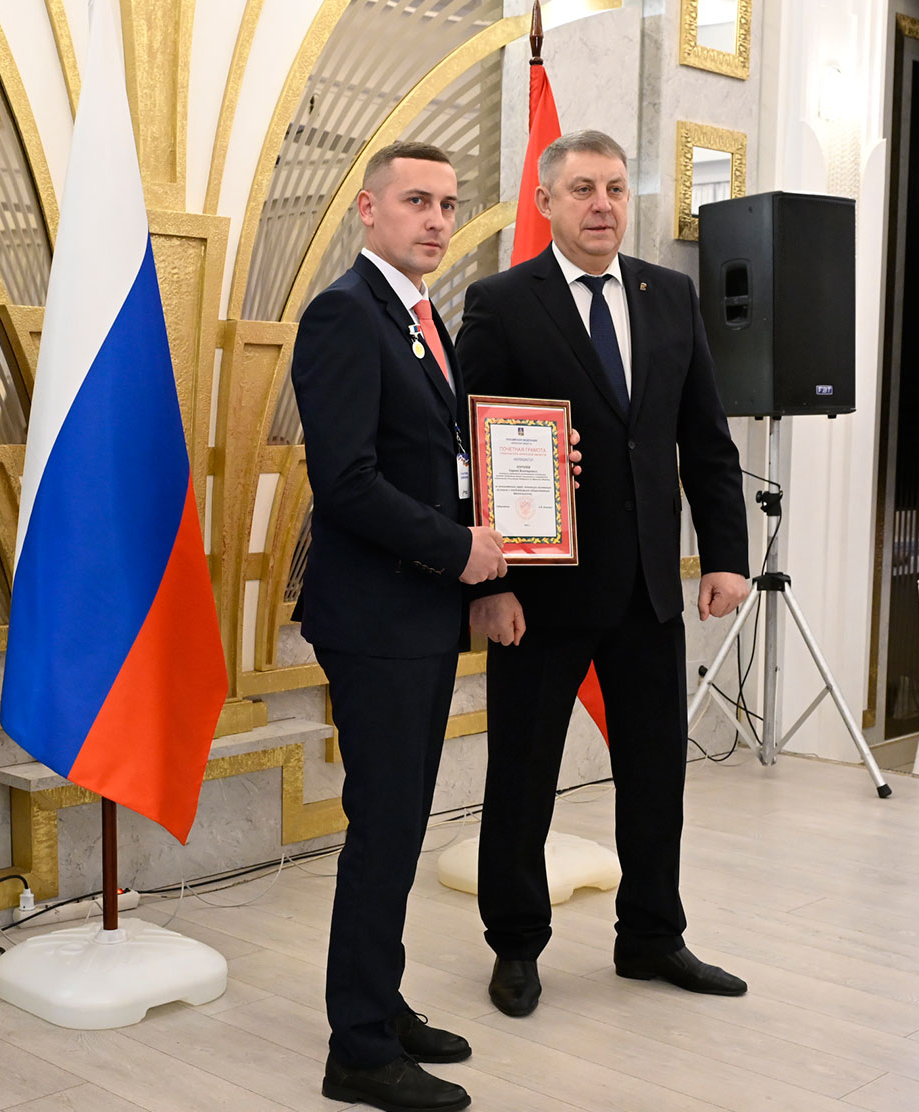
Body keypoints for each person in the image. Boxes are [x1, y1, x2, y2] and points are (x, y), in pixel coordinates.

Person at [458, 130, 751, 1018]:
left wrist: (727, 555)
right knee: (523, 778)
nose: (602, 205)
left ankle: (652, 936)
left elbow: (705, 439)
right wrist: (489, 585)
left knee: (657, 777)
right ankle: (516, 945)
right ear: (546, 200)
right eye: (583, 188)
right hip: (540, 595)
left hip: (648, 592)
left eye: (616, 188)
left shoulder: (670, 296)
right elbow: (472, 452)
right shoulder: (502, 302)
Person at [292, 141, 506, 1112]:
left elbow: (436, 459)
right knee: (383, 828)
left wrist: (531, 485)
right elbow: (345, 484)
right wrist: (457, 548)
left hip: (417, 610)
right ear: (368, 210)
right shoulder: (346, 312)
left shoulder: (421, 315)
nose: (437, 219)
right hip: (376, 616)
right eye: (417, 201)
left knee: (403, 822)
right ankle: (360, 1050)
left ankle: (380, 1002)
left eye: (449, 204)